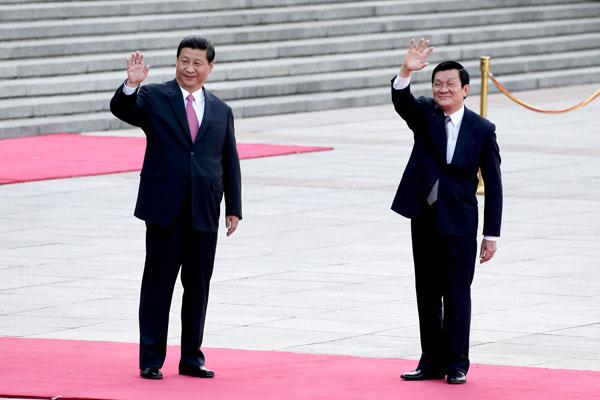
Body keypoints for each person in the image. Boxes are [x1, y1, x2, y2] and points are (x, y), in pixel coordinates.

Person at [110, 36, 242, 380]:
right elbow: (124, 110)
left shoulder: (221, 110)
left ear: (210, 68)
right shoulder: (155, 97)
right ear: (176, 62)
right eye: (184, 61)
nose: (190, 68)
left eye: (198, 63)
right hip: (164, 208)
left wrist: (234, 207)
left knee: (198, 287)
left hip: (204, 209)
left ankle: (192, 358)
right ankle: (151, 359)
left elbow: (229, 160)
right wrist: (131, 85)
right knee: (158, 285)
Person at [390, 38, 502, 384]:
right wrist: (406, 70)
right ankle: (430, 361)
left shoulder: (482, 130)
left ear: (466, 89)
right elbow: (401, 100)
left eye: (450, 84)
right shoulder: (425, 115)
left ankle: (456, 363)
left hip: (460, 222)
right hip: (424, 218)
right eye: (438, 84)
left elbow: (494, 185)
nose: (443, 90)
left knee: (456, 294)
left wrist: (491, 235)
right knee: (426, 291)